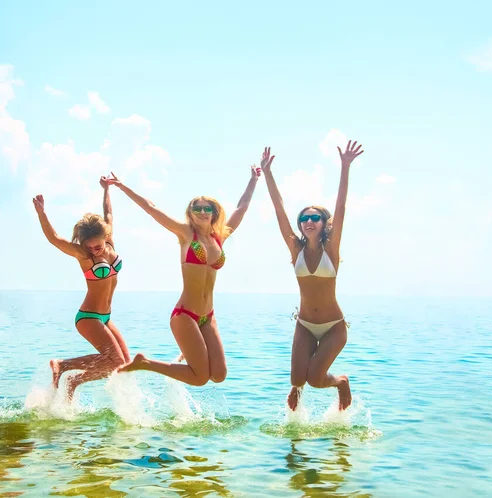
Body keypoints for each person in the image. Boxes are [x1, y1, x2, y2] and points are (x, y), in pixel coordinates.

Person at [109, 165, 260, 385]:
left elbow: (242, 207)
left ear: (214, 213)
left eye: (206, 208)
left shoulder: (220, 237)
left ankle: (188, 353)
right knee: (199, 379)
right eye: (196, 208)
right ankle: (145, 363)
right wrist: (123, 186)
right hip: (185, 314)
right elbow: (151, 208)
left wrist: (254, 179)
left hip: (208, 315)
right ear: (190, 213)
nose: (201, 212)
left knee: (218, 375)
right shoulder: (186, 234)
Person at [260, 140, 364, 411]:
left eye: (315, 218)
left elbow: (341, 209)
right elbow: (279, 209)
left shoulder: (332, 249)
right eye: (304, 218)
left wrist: (345, 167)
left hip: (333, 327)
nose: (308, 221)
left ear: (323, 223)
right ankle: (296, 397)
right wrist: (268, 174)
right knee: (297, 380)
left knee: (317, 381)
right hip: (304, 323)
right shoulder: (296, 250)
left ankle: (341, 382)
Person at [32, 176, 130, 400]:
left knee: (123, 365)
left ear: (105, 237)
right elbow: (55, 239)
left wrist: (107, 190)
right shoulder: (84, 256)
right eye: (90, 247)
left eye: (98, 245)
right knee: (115, 361)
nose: (95, 250)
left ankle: (74, 382)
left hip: (105, 317)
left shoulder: (110, 242)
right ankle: (63, 365)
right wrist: (42, 213)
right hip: (88, 317)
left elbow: (108, 214)